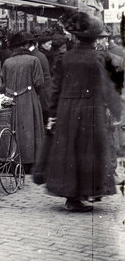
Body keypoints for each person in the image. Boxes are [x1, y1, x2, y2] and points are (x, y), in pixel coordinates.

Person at [45, 13, 121, 212]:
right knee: (89, 151)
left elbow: (55, 88)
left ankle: (72, 197)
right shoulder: (99, 58)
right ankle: (86, 191)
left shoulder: (65, 57)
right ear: (95, 38)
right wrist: (118, 110)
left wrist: (52, 112)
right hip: (90, 110)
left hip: (66, 110)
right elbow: (108, 88)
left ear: (76, 36)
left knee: (69, 151)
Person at [1, 32, 44, 171]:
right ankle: (30, 162)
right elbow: (39, 82)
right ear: (25, 45)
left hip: (11, 99)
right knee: (31, 128)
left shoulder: (7, 62)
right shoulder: (33, 60)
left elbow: (5, 82)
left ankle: (13, 159)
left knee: (13, 128)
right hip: (29, 97)